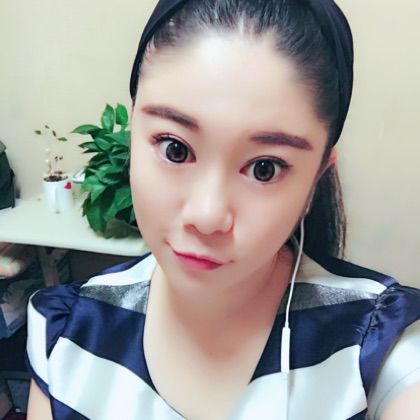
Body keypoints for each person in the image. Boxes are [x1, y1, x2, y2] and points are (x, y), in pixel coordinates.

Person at [25, 0, 420, 419]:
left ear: (316, 177)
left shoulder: (384, 345)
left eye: (265, 169)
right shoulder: (62, 338)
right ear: (134, 127)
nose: (207, 215)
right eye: (175, 149)